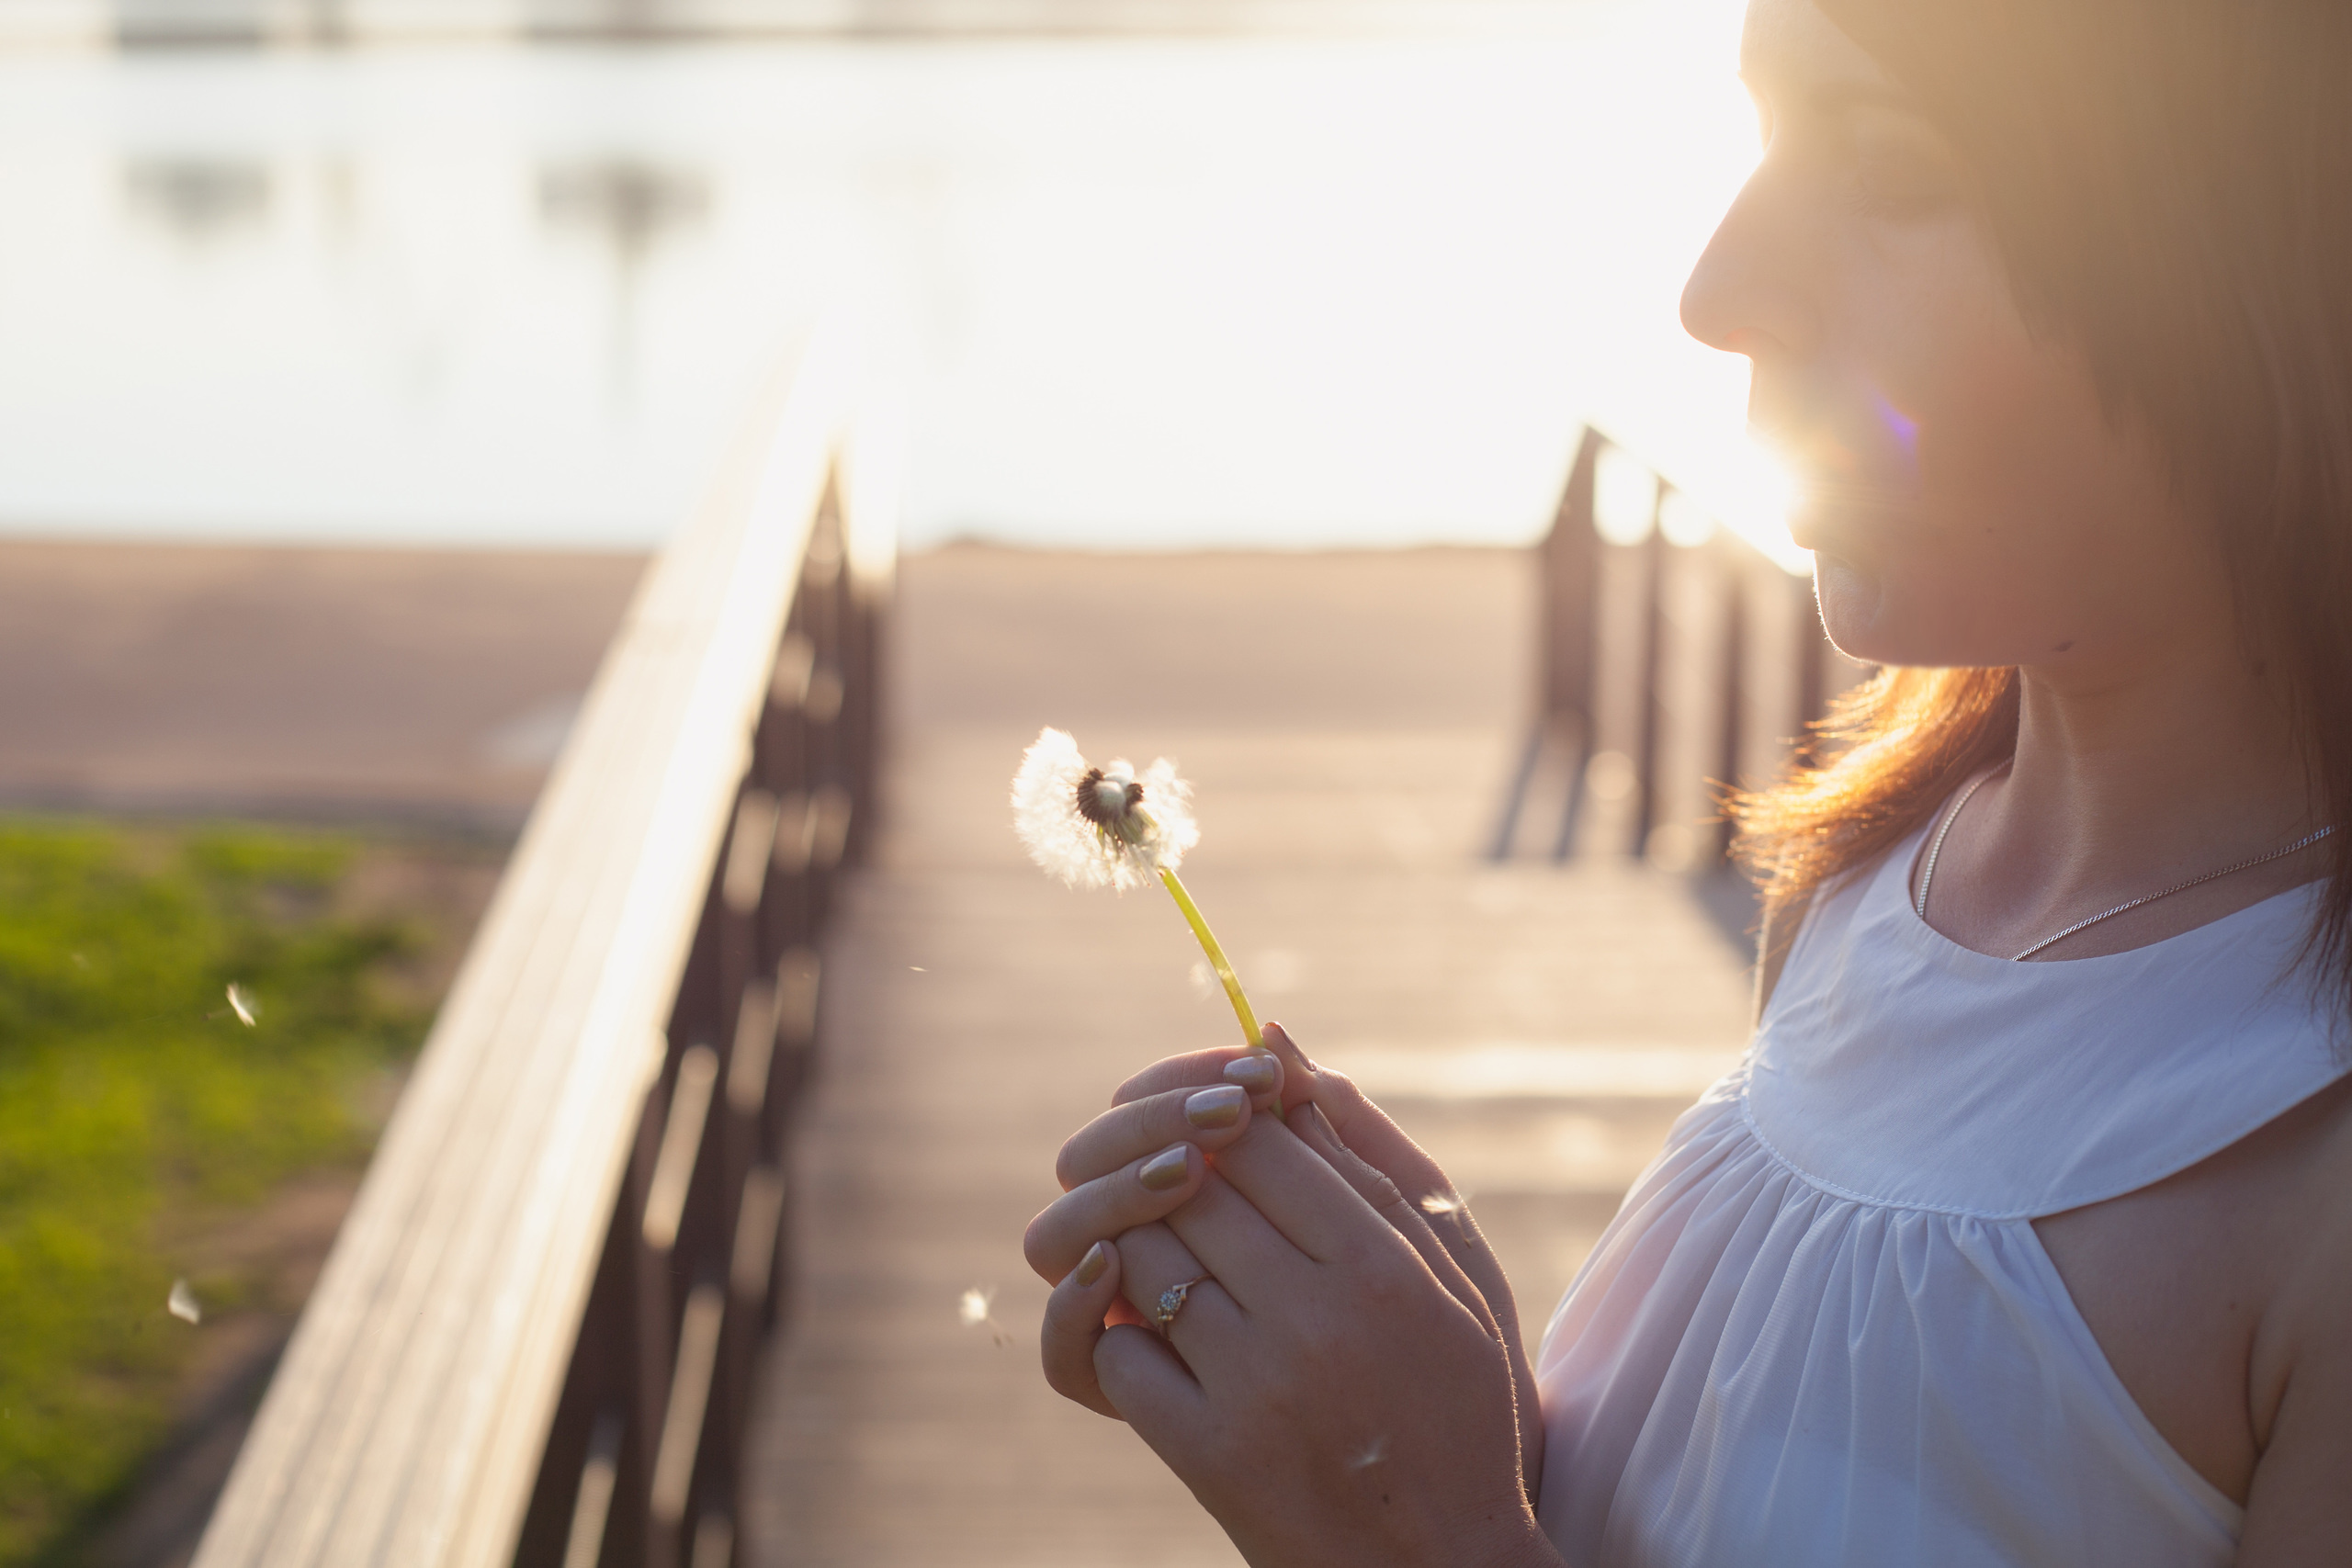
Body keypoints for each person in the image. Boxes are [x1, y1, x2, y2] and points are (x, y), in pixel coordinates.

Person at [1019, 0, 2352, 1561]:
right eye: (1765, 134)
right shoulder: (1868, 888)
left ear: (2270, 232)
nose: (1715, 288)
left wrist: (1428, 1542)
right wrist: (1487, 1430)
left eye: (1897, 169)